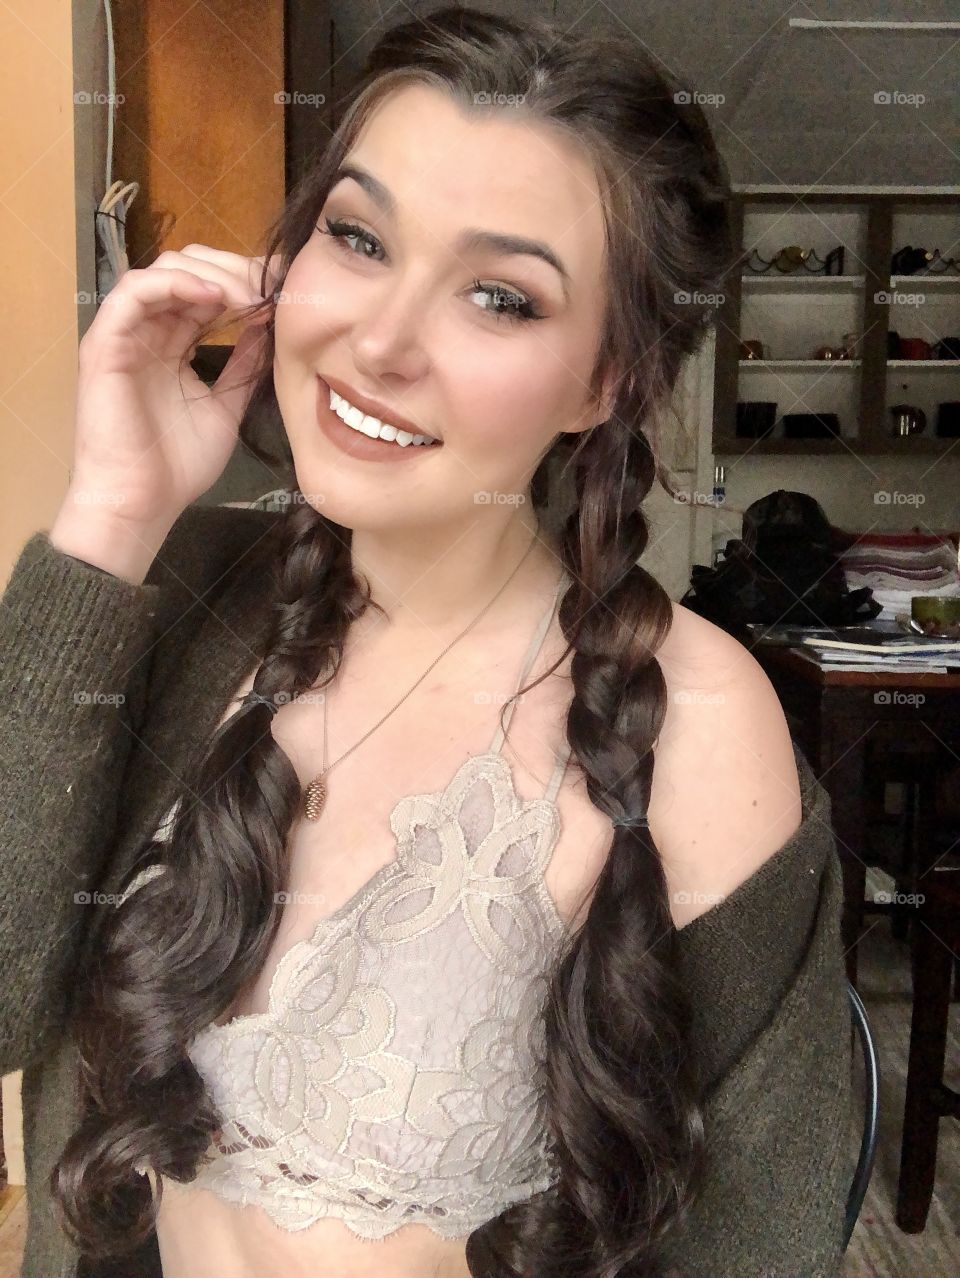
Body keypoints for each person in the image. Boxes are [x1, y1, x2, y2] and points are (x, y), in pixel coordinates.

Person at [0, 6, 853, 1277]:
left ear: (606, 379)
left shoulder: (697, 717)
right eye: (357, 236)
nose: (381, 342)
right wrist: (110, 518)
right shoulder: (172, 591)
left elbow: (760, 1240)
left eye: (500, 298)